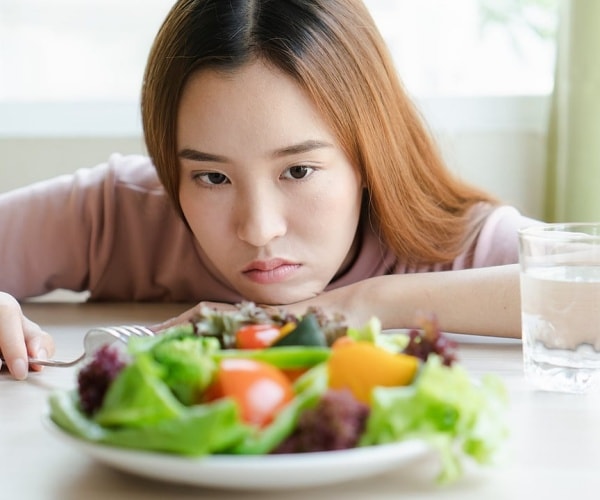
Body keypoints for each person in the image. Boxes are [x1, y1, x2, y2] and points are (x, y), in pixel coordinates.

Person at [0, 0, 539, 380]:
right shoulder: (125, 211)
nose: (258, 228)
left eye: (298, 171)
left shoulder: (445, 242)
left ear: (369, 153)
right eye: (212, 177)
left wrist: (362, 303)